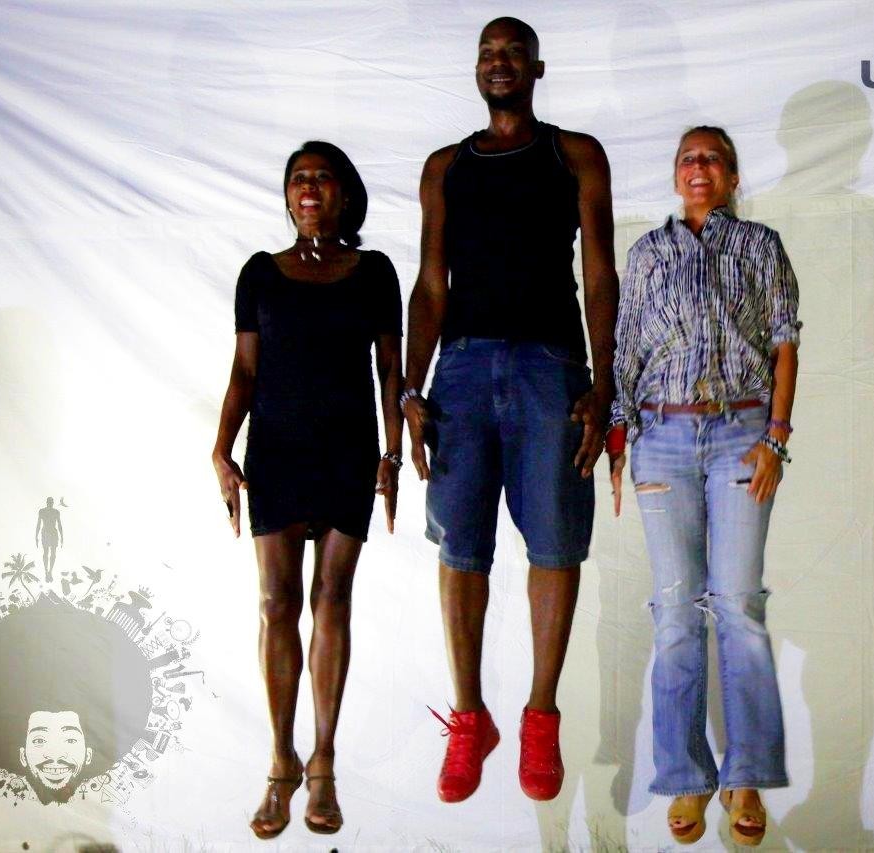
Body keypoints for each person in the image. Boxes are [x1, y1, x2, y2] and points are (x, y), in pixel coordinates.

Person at [402, 16, 618, 803]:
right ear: (477, 69)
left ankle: (540, 715)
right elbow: (430, 284)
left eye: (512, 52)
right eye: (487, 53)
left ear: (536, 68)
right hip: (459, 368)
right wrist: (409, 387)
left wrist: (605, 377)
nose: (499, 62)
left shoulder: (575, 154)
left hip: (549, 364)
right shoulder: (446, 167)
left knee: (555, 541)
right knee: (461, 545)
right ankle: (469, 717)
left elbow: (600, 272)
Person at [607, 126, 799, 846]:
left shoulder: (760, 247)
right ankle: (685, 775)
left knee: (739, 604)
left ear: (733, 175)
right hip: (661, 438)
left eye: (712, 158)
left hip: (740, 435)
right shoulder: (648, 254)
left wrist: (775, 438)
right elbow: (625, 348)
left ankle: (746, 772)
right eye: (688, 158)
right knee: (676, 610)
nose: (699, 167)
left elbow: (785, 343)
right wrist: (619, 439)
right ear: (675, 173)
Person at [212, 141, 404, 838]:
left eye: (323, 177)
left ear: (345, 194)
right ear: (288, 195)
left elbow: (390, 370)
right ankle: (280, 761)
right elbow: (244, 369)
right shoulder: (260, 273)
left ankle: (323, 760)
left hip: (348, 450)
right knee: (276, 602)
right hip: (278, 451)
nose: (310, 187)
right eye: (299, 178)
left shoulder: (374, 271)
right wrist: (221, 448)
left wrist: (392, 453)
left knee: (332, 598)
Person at [35, 497, 63, 582]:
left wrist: (62, 536)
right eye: (49, 502)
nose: (50, 504)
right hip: (45, 532)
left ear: (53, 503)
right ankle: (46, 571)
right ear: (47, 503)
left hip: (53, 532)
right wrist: (36, 536)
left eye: (52, 502)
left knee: (53, 553)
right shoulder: (42, 511)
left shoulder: (56, 512)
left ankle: (50, 571)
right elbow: (38, 524)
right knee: (46, 552)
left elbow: (59, 524)